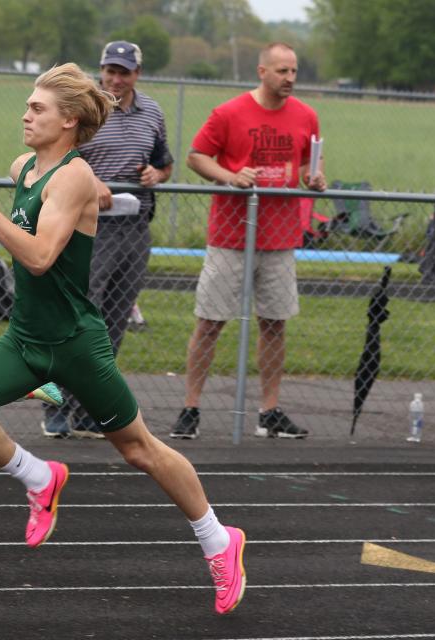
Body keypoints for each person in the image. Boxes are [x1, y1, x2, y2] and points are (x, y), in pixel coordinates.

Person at [0, 62, 246, 615]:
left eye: (37, 108)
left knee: (139, 449)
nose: (25, 115)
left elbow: (42, 257)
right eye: (27, 106)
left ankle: (220, 541)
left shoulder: (72, 175)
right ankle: (40, 476)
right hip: (25, 339)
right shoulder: (24, 165)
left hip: (75, 343)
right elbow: (29, 233)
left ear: (69, 120)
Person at [170, 42, 326, 441]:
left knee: (275, 324)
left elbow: (309, 161)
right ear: (262, 71)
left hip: (280, 238)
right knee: (209, 323)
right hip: (231, 235)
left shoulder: (307, 116)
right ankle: (190, 408)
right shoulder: (228, 113)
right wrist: (230, 176)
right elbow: (195, 156)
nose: (289, 78)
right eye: (282, 71)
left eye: (294, 71)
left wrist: (315, 176)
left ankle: (269, 411)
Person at [42, 41, 173, 439]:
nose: (116, 79)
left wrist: (156, 175)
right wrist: (90, 179)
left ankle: (89, 409)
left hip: (134, 226)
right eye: (110, 70)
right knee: (80, 316)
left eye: (125, 71)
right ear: (100, 69)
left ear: (138, 73)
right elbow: (54, 156)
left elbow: (165, 162)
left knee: (113, 321)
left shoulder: (152, 111)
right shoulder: (83, 107)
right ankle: (56, 405)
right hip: (88, 227)